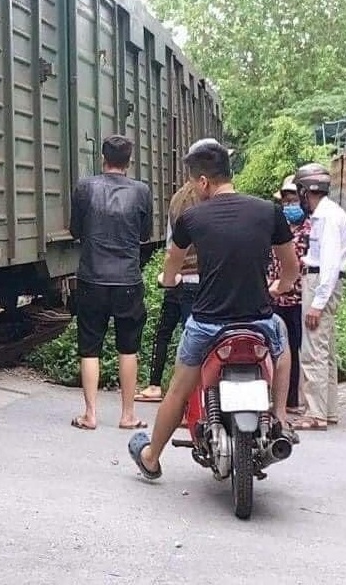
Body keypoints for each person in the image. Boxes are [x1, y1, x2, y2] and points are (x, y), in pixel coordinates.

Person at [128, 138, 300, 481]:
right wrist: (277, 287)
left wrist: (169, 279)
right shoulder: (269, 211)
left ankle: (150, 457)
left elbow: (172, 269)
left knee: (177, 389)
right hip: (257, 320)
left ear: (203, 181)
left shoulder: (191, 217)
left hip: (208, 324)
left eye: (195, 182)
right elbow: (291, 267)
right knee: (281, 344)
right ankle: (280, 416)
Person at [68, 134, 153, 431]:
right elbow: (144, 235)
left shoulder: (85, 188)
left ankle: (90, 415)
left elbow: (75, 230)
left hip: (92, 277)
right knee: (128, 348)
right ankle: (127, 415)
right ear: (129, 162)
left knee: (90, 346)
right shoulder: (142, 192)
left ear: (102, 159)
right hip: (128, 279)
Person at [291, 163, 346, 431]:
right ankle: (327, 410)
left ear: (307, 190)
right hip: (324, 281)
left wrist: (317, 304)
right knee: (325, 350)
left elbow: (327, 265)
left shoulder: (326, 217)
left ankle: (315, 414)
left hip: (320, 283)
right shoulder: (328, 213)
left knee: (313, 350)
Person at [135, 181, 200, 403]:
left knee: (164, 331)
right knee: (193, 338)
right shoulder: (215, 200)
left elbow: (171, 244)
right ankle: (192, 393)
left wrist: (169, 275)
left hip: (178, 276)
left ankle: (154, 385)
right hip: (205, 278)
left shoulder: (177, 199)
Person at [267, 175, 311, 414]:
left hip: (298, 299)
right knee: (276, 348)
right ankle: (277, 400)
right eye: (285, 200)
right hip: (276, 297)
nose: (289, 205)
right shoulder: (279, 228)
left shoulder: (309, 230)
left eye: (293, 200)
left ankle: (292, 401)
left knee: (293, 349)